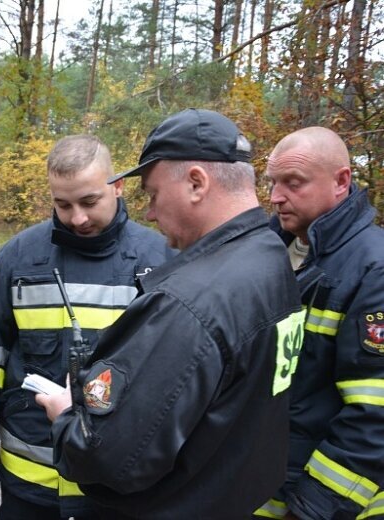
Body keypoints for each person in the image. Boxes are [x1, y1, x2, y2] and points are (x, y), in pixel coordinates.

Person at [35, 109, 305, 519]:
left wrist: (67, 418)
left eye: (154, 194)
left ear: (197, 182)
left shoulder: (193, 302)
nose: (149, 213)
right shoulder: (270, 257)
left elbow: (107, 459)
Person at [0, 134, 172, 519]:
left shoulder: (161, 258)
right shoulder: (20, 257)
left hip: (117, 481)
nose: (77, 218)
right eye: (63, 204)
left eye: (89, 202)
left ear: (118, 186)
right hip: (31, 478)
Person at [253, 127, 384, 519]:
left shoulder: (373, 268)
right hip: (259, 487)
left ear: (342, 181)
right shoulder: (269, 250)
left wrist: (313, 511)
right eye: (273, 182)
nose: (276, 197)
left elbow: (375, 417)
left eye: (294, 183)